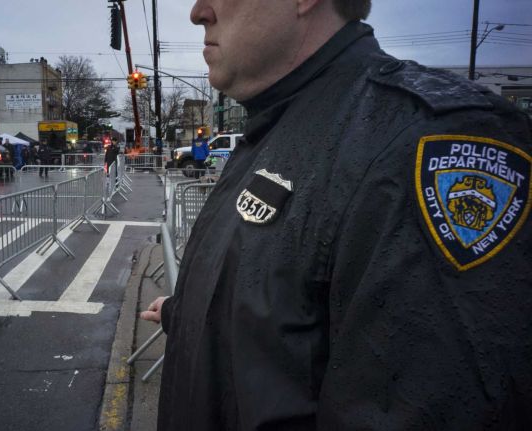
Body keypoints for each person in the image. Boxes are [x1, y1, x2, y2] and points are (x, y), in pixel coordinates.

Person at [140, 0, 532, 429]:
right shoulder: (277, 124)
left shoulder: (426, 139)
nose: (198, 12)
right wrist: (184, 311)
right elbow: (280, 311)